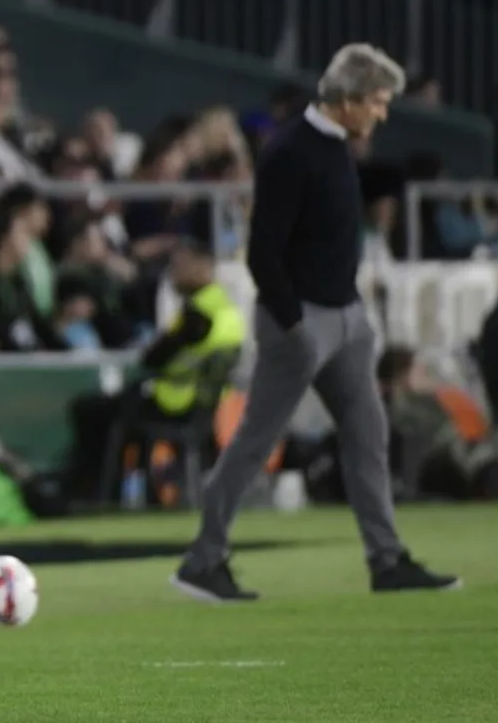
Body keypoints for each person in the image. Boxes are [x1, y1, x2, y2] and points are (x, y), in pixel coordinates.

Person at [172, 44, 459, 602]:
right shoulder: (290, 153)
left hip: (346, 319)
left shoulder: (333, 148)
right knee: (255, 441)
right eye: (376, 102)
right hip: (301, 323)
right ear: (347, 100)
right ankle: (202, 561)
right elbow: (263, 255)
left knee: (368, 436)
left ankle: (387, 559)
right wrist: (295, 327)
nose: (382, 113)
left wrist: (352, 318)